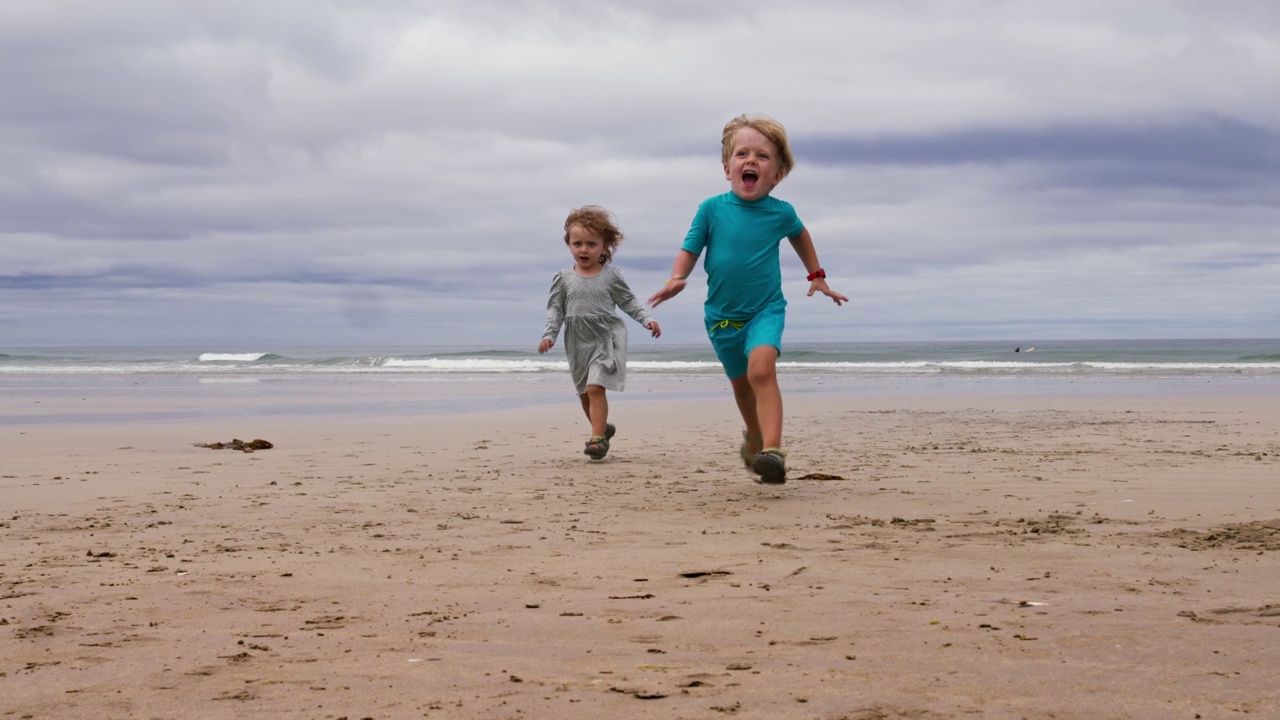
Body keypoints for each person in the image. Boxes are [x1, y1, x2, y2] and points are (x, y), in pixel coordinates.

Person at [648, 114, 847, 484]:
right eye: (742, 154)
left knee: (761, 369)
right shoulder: (712, 209)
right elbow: (690, 247)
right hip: (722, 318)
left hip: (765, 309)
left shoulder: (781, 212)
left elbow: (801, 236)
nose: (751, 161)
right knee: (742, 386)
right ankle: (754, 435)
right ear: (727, 168)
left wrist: (817, 277)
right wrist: (677, 277)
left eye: (762, 156)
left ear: (778, 175)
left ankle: (772, 450)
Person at [539, 205, 661, 460]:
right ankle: (602, 428)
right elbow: (555, 310)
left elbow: (629, 301)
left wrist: (646, 319)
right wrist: (549, 334)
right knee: (584, 392)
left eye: (591, 244)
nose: (584, 249)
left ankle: (597, 440)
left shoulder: (611, 276)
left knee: (596, 388)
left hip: (605, 337)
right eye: (577, 243)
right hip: (577, 340)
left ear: (605, 247)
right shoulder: (562, 278)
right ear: (569, 245)